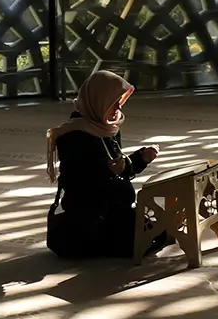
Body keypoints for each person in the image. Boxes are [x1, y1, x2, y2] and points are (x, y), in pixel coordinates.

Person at [44, 70, 171, 259]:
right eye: (113, 103)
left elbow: (119, 168)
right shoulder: (73, 136)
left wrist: (141, 158)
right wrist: (106, 172)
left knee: (157, 229)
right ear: (98, 100)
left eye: (119, 102)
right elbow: (78, 181)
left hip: (115, 210)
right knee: (138, 242)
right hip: (90, 215)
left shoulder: (106, 128)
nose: (117, 108)